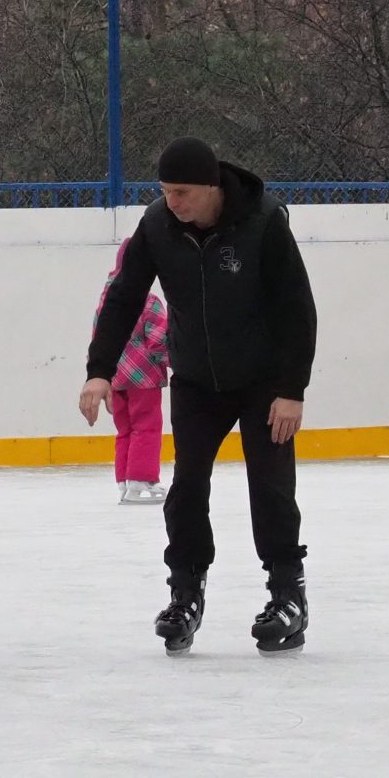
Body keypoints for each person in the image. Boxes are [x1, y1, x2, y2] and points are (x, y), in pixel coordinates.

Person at [82, 137, 318, 656]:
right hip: (195, 380)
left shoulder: (263, 221)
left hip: (263, 383)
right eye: (166, 191)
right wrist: (100, 371)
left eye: (183, 192)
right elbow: (124, 296)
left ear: (212, 187)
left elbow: (296, 308)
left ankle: (287, 595)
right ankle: (185, 592)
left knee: (271, 487)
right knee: (187, 487)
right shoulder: (158, 226)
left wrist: (290, 389)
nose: (174, 202)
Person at [99, 240, 170, 505]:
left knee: (125, 428)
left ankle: (124, 479)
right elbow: (158, 340)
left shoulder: (107, 301)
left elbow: (99, 337)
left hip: (116, 377)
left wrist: (101, 375)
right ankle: (142, 479)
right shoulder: (148, 302)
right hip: (145, 378)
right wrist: (176, 360)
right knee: (147, 426)